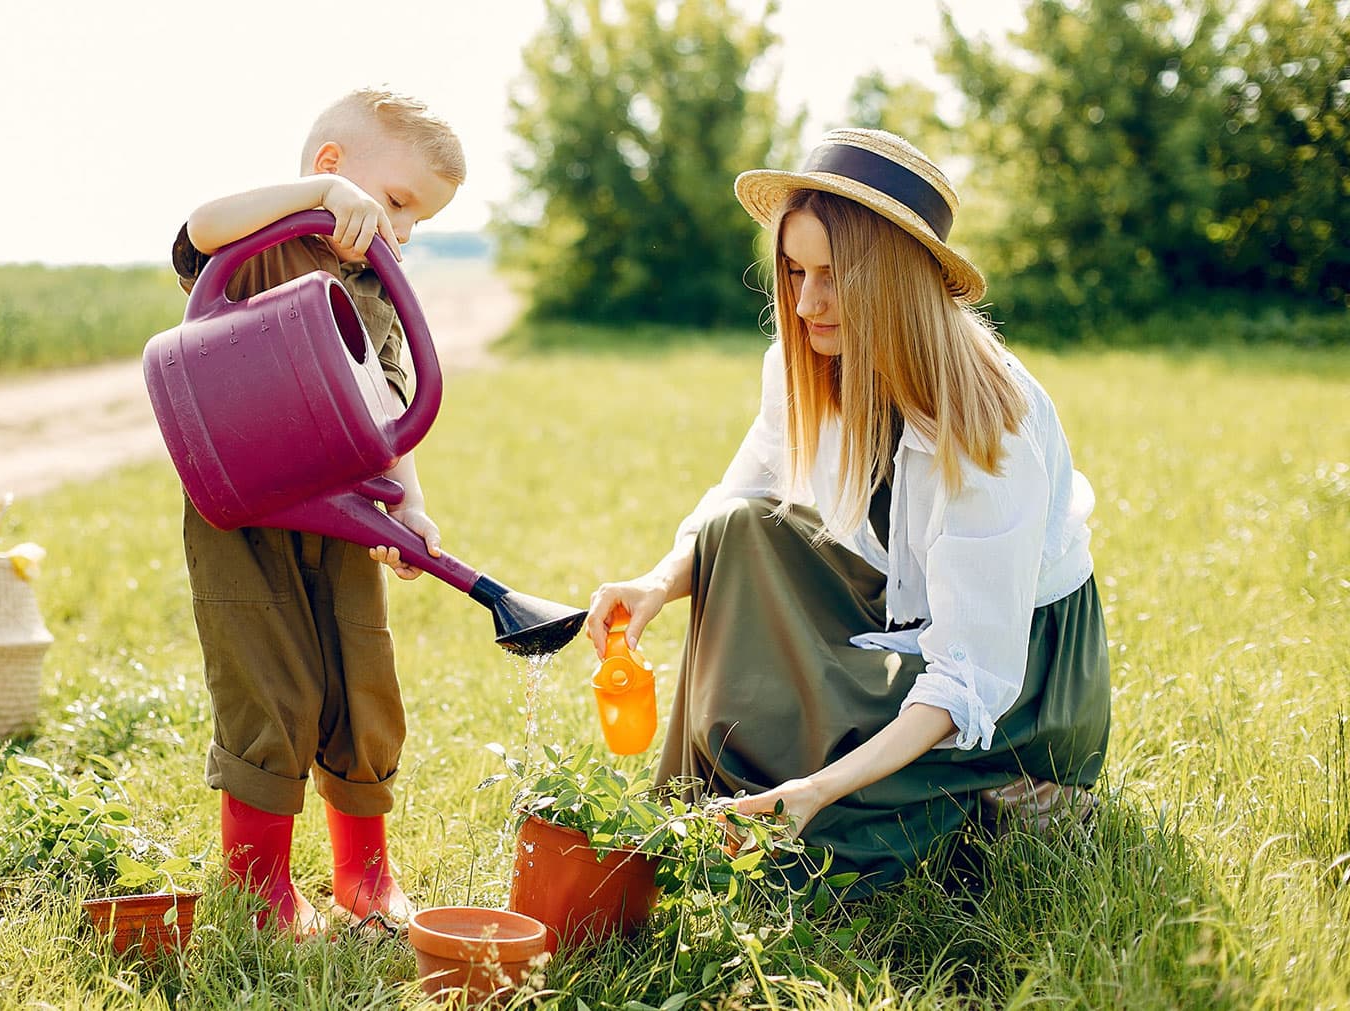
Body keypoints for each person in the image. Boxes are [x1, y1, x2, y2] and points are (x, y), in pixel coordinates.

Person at [585, 128, 1111, 894]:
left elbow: (970, 671)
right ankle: (725, 801)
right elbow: (744, 492)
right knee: (738, 533)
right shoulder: (809, 360)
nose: (805, 303)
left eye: (832, 275)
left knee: (827, 836)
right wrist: (656, 585)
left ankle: (1014, 793)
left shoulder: (991, 417)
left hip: (1018, 674)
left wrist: (820, 787)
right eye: (795, 272)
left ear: (894, 278)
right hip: (898, 605)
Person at [171, 87, 463, 933]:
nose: (401, 232)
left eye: (418, 223)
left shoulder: (377, 286)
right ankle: (259, 882)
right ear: (332, 167)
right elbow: (199, 225)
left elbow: (390, 420)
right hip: (244, 514)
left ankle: (365, 873)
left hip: (345, 514)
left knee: (360, 679)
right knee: (268, 686)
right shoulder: (259, 242)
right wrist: (316, 200)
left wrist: (411, 510)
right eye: (397, 203)